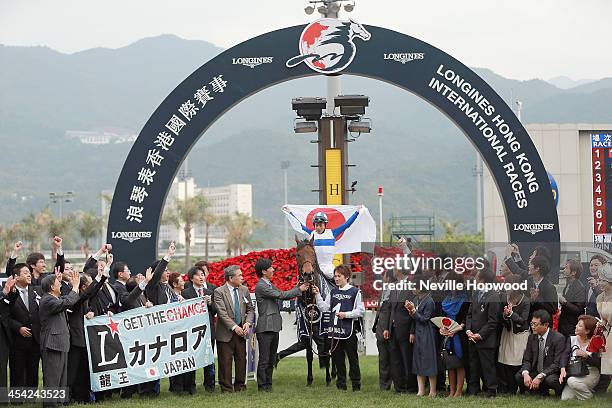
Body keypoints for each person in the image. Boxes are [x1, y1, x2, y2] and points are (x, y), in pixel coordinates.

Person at [254, 258, 306, 391]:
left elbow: (283, 293)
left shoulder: (269, 284)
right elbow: (281, 295)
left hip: (273, 326)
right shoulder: (261, 286)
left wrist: (298, 287)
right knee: (265, 359)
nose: (273, 269)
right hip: (265, 327)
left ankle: (268, 385)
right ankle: (262, 386)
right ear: (264, 271)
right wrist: (299, 289)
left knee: (271, 358)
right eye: (270, 268)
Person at [314, 264, 364, 391]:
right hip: (335, 330)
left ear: (346, 277)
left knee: (353, 358)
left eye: (339, 276)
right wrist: (318, 295)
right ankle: (341, 384)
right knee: (337, 358)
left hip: (349, 330)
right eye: (335, 276)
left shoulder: (355, 292)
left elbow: (361, 311)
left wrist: (346, 315)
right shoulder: (333, 292)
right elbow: (325, 308)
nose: (336, 279)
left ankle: (356, 383)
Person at [284, 206, 363, 280]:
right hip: (314, 267)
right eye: (316, 225)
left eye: (320, 225)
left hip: (329, 268)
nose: (318, 227)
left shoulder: (333, 233)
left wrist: (357, 212)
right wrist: (289, 212)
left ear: (325, 224)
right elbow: (299, 225)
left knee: (338, 280)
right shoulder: (311, 233)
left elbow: (346, 225)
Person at [38, 270, 81, 406]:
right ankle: (50, 404)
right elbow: (68, 302)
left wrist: (74, 288)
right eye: (58, 283)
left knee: (61, 378)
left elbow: (69, 300)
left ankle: (58, 403)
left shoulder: (55, 298)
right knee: (53, 378)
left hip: (61, 342)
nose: (61, 286)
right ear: (52, 287)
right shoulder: (47, 300)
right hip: (52, 343)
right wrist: (75, 287)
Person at [66, 270, 107, 403]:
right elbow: (86, 296)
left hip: (85, 339)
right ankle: (68, 398)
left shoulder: (84, 298)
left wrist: (90, 312)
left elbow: (90, 297)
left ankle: (83, 397)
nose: (92, 287)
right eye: (90, 284)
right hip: (75, 340)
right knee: (72, 372)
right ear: (83, 287)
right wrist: (99, 277)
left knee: (84, 370)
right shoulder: (74, 297)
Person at [214, 265, 254, 392]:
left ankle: (240, 386)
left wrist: (247, 323)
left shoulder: (244, 290)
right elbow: (222, 313)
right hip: (225, 333)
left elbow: (250, 309)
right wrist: (235, 327)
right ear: (231, 278)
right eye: (240, 275)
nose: (243, 277)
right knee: (225, 362)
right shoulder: (219, 292)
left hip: (242, 332)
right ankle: (226, 388)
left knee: (241, 360)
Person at [378, 266, 417, 393]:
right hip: (393, 329)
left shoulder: (411, 287)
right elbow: (390, 308)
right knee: (394, 359)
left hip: (405, 329)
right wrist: (386, 328)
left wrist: (412, 331)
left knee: (407, 359)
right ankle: (399, 387)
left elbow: (413, 311)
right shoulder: (394, 286)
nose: (393, 270)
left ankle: (410, 386)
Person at [465, 268, 501, 397]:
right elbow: (469, 314)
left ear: (483, 279)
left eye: (476, 277)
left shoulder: (493, 296)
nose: (474, 279)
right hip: (472, 337)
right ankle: (473, 390)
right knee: (473, 365)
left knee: (487, 366)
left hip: (485, 339)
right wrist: (468, 330)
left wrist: (480, 335)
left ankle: (491, 390)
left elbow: (492, 321)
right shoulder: (475, 294)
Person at [182, 263, 217, 393]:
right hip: (192, 331)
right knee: (192, 358)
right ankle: (190, 387)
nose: (201, 277)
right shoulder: (186, 293)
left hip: (208, 330)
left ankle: (210, 385)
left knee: (209, 358)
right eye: (198, 275)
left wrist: (210, 303)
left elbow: (214, 312)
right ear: (192, 278)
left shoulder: (210, 292)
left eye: (203, 274)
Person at [7, 260, 43, 388]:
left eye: (29, 272)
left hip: (35, 338)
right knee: (17, 370)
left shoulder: (37, 290)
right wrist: (18, 327)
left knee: (33, 370)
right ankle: (17, 399)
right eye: (26, 272)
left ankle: (31, 396)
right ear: (16, 277)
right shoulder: (9, 293)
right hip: (17, 340)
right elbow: (5, 316)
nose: (29, 275)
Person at [516, 309, 565, 396]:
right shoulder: (531, 337)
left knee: (550, 380)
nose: (532, 327)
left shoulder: (558, 338)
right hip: (536, 370)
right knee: (519, 376)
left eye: (535, 324)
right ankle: (536, 391)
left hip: (550, 372)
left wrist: (541, 375)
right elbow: (527, 359)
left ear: (546, 325)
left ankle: (559, 392)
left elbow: (557, 364)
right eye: (531, 324)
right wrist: (526, 373)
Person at [497, 274, 530, 394]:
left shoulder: (525, 300)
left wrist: (511, 314)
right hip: (507, 332)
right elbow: (499, 316)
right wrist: (505, 315)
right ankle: (506, 388)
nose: (506, 286)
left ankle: (521, 388)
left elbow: (523, 320)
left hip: (520, 335)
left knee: (517, 361)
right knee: (504, 360)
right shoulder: (503, 297)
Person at [406, 275, 438, 397]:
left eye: (414, 286)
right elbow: (414, 319)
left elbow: (425, 319)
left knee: (429, 360)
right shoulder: (415, 299)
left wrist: (413, 311)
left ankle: (433, 391)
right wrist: (412, 332)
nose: (412, 288)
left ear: (420, 288)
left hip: (428, 332)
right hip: (418, 332)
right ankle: (420, 390)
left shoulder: (429, 301)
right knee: (418, 360)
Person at [439, 272, 470, 397]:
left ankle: (458, 391)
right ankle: (451, 391)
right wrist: (442, 329)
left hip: (460, 336)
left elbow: (466, 319)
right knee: (450, 364)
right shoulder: (447, 300)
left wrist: (456, 329)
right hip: (447, 336)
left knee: (459, 364)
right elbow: (443, 318)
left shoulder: (465, 299)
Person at [560, 315, 601, 400]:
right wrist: (563, 368)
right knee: (565, 398)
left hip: (590, 373)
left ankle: (589, 397)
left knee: (571, 381)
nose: (576, 326)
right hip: (576, 372)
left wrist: (586, 356)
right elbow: (565, 354)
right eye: (577, 324)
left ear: (587, 331)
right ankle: (584, 391)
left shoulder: (595, 341)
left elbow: (598, 363)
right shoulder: (572, 339)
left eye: (579, 325)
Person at [167, 272, 190, 394]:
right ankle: (176, 387)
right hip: (174, 333)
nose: (183, 282)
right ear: (175, 284)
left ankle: (184, 386)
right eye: (181, 280)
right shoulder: (171, 298)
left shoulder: (182, 296)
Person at [373, 269, 394, 391]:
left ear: (388, 277)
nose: (382, 278)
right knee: (383, 358)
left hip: (387, 329)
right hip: (381, 329)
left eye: (384, 276)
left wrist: (386, 328)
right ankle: (384, 384)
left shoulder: (392, 291)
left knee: (386, 358)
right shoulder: (384, 291)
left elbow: (389, 312)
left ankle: (386, 383)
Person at [558, 259, 586, 337]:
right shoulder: (568, 284)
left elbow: (579, 310)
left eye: (566, 268)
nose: (564, 270)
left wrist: (565, 303)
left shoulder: (579, 288)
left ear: (573, 272)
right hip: (563, 327)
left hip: (571, 329)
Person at [0, 276, 17, 400]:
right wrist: (4, 292)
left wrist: (11, 293)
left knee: (2, 368)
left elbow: (6, 306)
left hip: (2, 334)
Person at [527, 256, 558, 321]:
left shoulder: (549, 287)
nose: (528, 266)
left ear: (537, 268)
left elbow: (553, 309)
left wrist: (538, 299)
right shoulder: (528, 282)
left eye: (531, 264)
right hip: (530, 322)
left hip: (543, 324)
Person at [595, 263, 612, 376]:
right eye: (599, 280)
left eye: (603, 281)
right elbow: (603, 318)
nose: (600, 283)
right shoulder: (599, 297)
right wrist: (601, 324)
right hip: (606, 332)